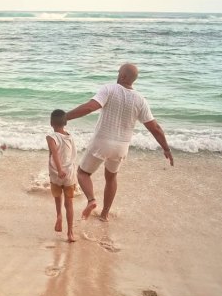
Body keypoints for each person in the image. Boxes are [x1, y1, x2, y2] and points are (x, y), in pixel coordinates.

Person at [66, 63, 174, 222]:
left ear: (123, 76)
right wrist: (166, 149)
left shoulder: (109, 89)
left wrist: (65, 117)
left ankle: (91, 200)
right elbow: (155, 128)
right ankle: (105, 214)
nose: (117, 74)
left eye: (118, 72)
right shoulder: (140, 100)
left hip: (102, 142)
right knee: (111, 178)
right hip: (121, 147)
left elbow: (90, 107)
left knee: (83, 173)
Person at [46, 109, 78, 242]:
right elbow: (72, 155)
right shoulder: (70, 137)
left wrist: (59, 170)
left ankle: (59, 216)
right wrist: (65, 170)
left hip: (56, 173)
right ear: (65, 122)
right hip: (69, 174)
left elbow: (54, 153)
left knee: (58, 197)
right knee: (69, 203)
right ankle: (70, 233)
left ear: (51, 122)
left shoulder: (51, 137)